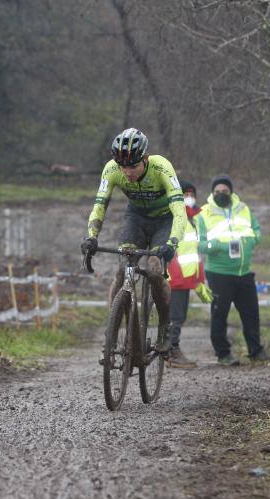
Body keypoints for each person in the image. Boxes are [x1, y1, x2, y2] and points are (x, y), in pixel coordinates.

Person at [81, 128, 186, 354]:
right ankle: (112, 332)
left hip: (164, 221)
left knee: (155, 270)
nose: (127, 172)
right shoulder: (111, 169)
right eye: (123, 167)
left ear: (145, 159)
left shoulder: (161, 166)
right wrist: (92, 237)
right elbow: (100, 206)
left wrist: (173, 243)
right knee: (122, 271)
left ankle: (165, 326)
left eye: (133, 166)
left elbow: (180, 210)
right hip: (136, 219)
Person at [195, 175, 270, 366]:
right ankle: (223, 354)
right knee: (220, 313)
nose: (221, 194)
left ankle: (255, 350)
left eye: (225, 191)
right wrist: (218, 245)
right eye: (217, 191)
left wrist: (253, 240)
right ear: (212, 193)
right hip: (219, 272)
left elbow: (256, 229)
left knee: (251, 312)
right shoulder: (203, 213)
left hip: (244, 271)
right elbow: (200, 244)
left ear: (231, 192)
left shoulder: (243, 209)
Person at [166, 180, 213, 369]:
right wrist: (173, 275)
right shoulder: (173, 219)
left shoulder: (192, 221)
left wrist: (200, 280)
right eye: (185, 194)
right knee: (175, 317)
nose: (189, 198)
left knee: (177, 317)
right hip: (173, 279)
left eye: (192, 195)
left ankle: (169, 351)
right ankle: (171, 351)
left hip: (184, 279)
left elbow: (193, 255)